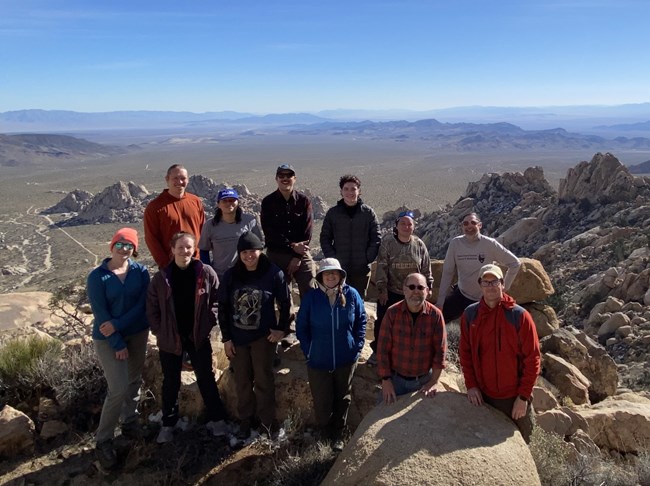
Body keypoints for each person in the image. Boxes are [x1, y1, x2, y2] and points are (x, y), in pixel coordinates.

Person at [146, 232, 228, 444]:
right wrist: (159, 331)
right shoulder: (162, 278)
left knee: (206, 377)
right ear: (172, 250)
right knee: (171, 381)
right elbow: (152, 308)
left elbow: (217, 300)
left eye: (189, 247)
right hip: (170, 338)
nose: (185, 251)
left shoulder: (205, 272)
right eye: (180, 247)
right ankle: (169, 423)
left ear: (195, 249)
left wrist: (209, 321)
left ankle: (217, 419)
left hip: (197, 336)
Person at [217, 231, 291, 439]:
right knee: (241, 380)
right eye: (245, 252)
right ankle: (245, 420)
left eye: (253, 251)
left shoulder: (273, 273)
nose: (249, 256)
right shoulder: (231, 275)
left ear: (261, 251)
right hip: (237, 337)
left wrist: (281, 329)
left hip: (263, 337)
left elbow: (285, 303)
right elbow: (223, 306)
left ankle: (267, 422)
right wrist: (226, 338)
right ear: (239, 254)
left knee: (263, 379)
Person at [87, 228, 150, 469]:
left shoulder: (140, 271)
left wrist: (120, 325)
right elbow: (101, 315)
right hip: (107, 339)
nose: (124, 248)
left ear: (135, 249)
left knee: (134, 380)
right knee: (118, 388)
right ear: (112, 246)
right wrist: (116, 341)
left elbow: (143, 303)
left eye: (129, 245)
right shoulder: (97, 276)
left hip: (136, 332)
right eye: (120, 244)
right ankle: (103, 440)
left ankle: (130, 422)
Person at [459, 264, 540, 443]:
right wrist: (471, 385)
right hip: (484, 397)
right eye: (486, 282)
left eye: (494, 281)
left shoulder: (519, 316)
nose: (490, 286)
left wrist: (523, 397)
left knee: (526, 444)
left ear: (502, 283)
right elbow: (465, 353)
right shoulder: (470, 315)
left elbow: (533, 359)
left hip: (515, 398)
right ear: (480, 285)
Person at [296, 258, 366, 451]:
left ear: (340, 275)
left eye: (334, 272)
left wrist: (357, 347)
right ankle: (324, 434)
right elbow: (301, 327)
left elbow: (361, 320)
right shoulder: (312, 297)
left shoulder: (351, 295)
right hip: (318, 360)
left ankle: (338, 435)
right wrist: (309, 350)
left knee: (343, 398)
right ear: (320, 276)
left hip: (346, 358)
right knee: (322, 399)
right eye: (327, 273)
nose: (331, 276)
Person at [370, 210, 433, 364]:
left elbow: (426, 268)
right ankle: (378, 352)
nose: (406, 226)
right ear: (396, 226)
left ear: (413, 227)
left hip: (414, 293)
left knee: (415, 324)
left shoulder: (419, 245)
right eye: (402, 223)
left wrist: (428, 287)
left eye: (409, 224)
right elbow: (382, 267)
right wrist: (382, 290)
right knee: (383, 322)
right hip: (392, 291)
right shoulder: (388, 243)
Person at [436, 212, 521, 323]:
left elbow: (515, 263)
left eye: (473, 223)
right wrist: (440, 301)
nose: (469, 226)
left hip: (484, 300)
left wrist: (503, 288)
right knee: (437, 319)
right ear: (462, 226)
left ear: (480, 225)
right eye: (465, 223)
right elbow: (448, 272)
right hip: (461, 294)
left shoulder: (490, 244)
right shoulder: (455, 243)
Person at [377, 273, 447, 404]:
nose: (416, 291)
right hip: (395, 379)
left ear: (427, 291)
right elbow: (382, 349)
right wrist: (386, 380)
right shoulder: (392, 313)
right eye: (411, 287)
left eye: (420, 288)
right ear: (404, 290)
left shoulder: (435, 315)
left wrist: (434, 381)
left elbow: (440, 351)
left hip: (423, 381)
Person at [320, 174, 381, 300]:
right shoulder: (333, 213)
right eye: (346, 189)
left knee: (357, 300)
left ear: (359, 191)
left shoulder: (368, 213)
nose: (350, 192)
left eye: (353, 189)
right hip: (339, 269)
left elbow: (376, 237)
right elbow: (325, 238)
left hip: (361, 268)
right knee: (338, 300)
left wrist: (367, 258)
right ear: (341, 192)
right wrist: (333, 259)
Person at [260, 164, 316, 300]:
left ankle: (308, 320)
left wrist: (297, 256)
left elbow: (307, 231)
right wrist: (292, 246)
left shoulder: (303, 201)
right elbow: (269, 232)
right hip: (277, 254)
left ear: (294, 178)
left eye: (289, 176)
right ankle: (286, 320)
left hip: (301, 253)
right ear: (276, 179)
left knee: (310, 288)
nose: (285, 178)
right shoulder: (268, 202)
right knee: (282, 294)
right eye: (281, 176)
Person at [144, 164, 205, 268]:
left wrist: (200, 258)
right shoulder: (155, 207)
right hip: (170, 266)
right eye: (175, 178)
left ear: (188, 180)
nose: (180, 182)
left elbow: (203, 231)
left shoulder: (195, 201)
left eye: (183, 178)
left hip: (196, 263)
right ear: (167, 179)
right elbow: (151, 239)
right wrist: (165, 264)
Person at [199, 187, 264, 280]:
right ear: (218, 204)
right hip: (220, 275)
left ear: (238, 203)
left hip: (245, 274)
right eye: (224, 201)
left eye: (232, 200)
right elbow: (204, 251)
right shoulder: (209, 225)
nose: (228, 203)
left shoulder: (249, 221)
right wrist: (208, 273)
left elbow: (258, 247)